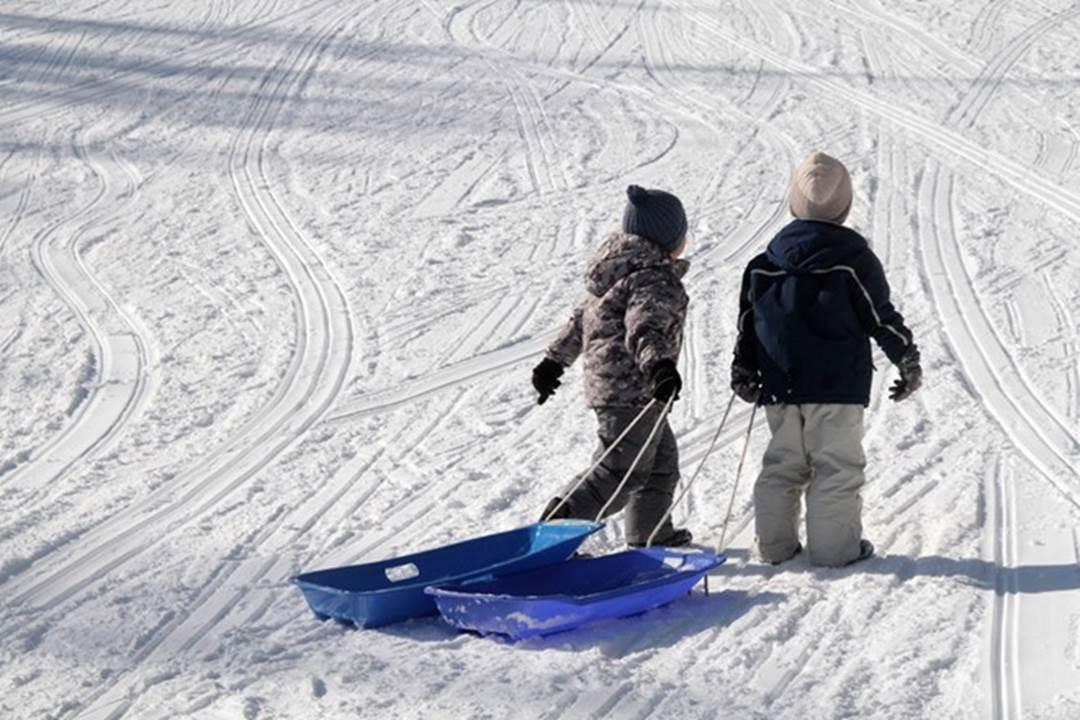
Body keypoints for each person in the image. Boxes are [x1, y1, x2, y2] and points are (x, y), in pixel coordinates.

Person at [731, 152, 922, 567]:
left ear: (794, 204)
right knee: (835, 468)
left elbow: (749, 323)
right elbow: (879, 317)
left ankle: (774, 547)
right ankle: (835, 552)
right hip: (837, 386)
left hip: (780, 386)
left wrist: (743, 367)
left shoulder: (763, 265)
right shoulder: (854, 262)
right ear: (844, 208)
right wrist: (906, 358)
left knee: (782, 466)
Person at [531, 184, 693, 547]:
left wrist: (552, 363)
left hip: (625, 390)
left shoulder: (615, 271)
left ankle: (650, 533)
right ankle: (554, 532)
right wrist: (659, 367)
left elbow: (580, 321)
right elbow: (645, 328)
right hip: (634, 389)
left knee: (660, 465)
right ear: (671, 239)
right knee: (618, 473)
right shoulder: (653, 279)